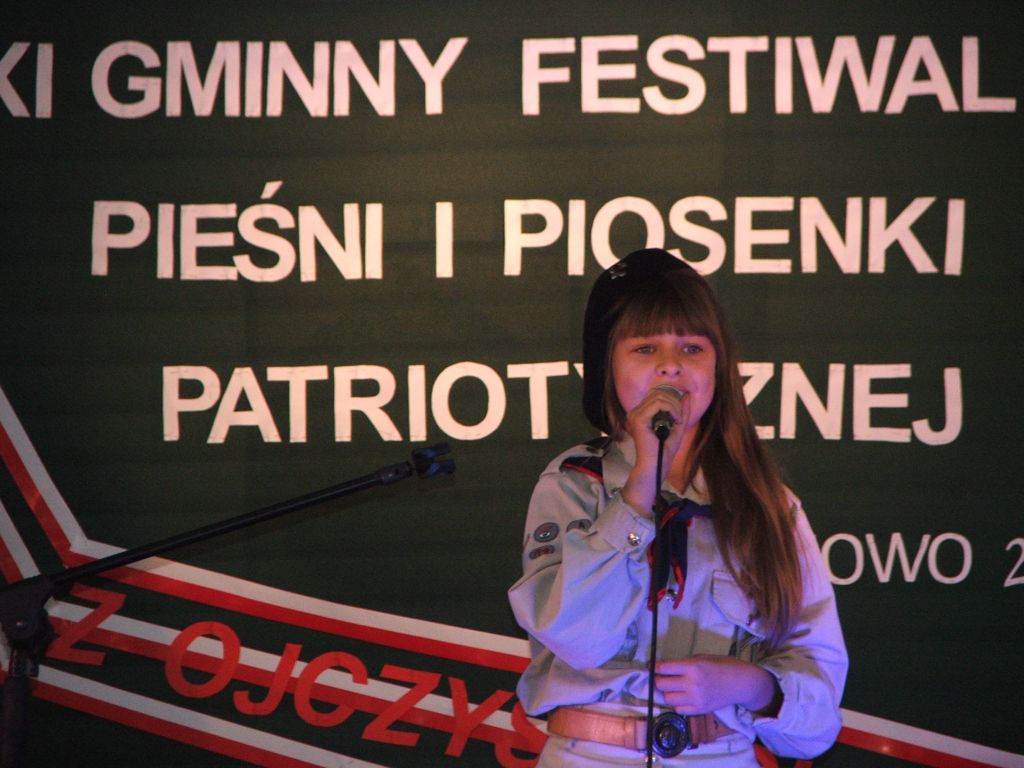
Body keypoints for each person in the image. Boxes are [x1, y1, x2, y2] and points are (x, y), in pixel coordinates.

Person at [508, 248, 847, 767]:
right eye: (645, 347)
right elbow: (580, 639)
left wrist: (753, 685)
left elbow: (817, 726)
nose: (670, 364)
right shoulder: (573, 484)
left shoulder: (768, 505)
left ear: (719, 368)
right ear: (607, 368)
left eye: (692, 347)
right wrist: (643, 480)